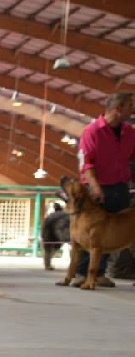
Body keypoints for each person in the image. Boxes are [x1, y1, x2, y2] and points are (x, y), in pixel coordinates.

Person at [71, 91, 135, 288]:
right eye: (130, 106)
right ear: (118, 108)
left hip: (120, 187)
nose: (133, 110)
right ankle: (82, 273)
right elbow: (87, 162)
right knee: (90, 232)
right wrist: (95, 186)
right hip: (97, 188)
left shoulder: (129, 132)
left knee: (112, 234)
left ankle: (99, 273)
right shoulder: (92, 131)